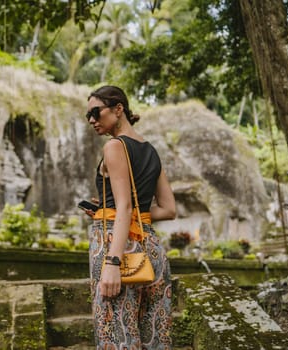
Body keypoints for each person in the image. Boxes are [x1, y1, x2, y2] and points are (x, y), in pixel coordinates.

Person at [83, 85, 176, 349]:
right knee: (155, 337)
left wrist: (112, 263)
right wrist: (103, 211)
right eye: (87, 115)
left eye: (96, 112)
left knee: (117, 337)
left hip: (118, 249)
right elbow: (168, 209)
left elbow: (124, 208)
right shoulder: (151, 151)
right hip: (151, 251)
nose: (91, 119)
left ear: (118, 109)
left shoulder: (114, 146)